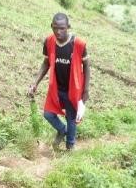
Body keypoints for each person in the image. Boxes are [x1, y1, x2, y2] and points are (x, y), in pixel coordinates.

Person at [27, 13, 90, 150]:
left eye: (62, 28)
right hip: (56, 87)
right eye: (55, 28)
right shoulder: (49, 42)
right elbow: (46, 63)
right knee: (48, 114)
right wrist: (35, 83)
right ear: (51, 26)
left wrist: (86, 90)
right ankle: (62, 130)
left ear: (68, 27)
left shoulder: (78, 44)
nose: (58, 31)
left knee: (71, 118)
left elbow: (86, 66)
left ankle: (70, 146)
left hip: (73, 89)